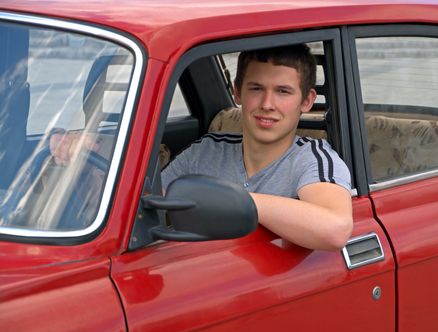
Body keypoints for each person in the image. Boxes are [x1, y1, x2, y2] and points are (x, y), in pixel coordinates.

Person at [52, 44, 354, 251]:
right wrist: (86, 156)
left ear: (307, 101)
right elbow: (152, 202)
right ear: (237, 92)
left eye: (283, 92)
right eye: (256, 89)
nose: (267, 104)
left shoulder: (313, 158)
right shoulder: (209, 148)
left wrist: (240, 202)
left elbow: (335, 228)